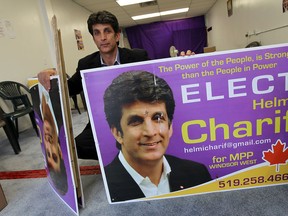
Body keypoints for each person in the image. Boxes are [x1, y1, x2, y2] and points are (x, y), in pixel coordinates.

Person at [38, 10, 150, 160]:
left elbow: (160, 78)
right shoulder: (86, 64)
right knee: (75, 147)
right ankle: (115, 160)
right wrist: (51, 76)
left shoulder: (138, 57)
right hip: (100, 121)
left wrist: (185, 61)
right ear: (93, 38)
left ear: (117, 35)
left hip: (136, 117)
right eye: (97, 33)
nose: (103, 38)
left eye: (107, 31)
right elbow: (70, 88)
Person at [103, 71, 212, 202]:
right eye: (136, 121)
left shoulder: (197, 174)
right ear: (117, 133)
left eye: (158, 118)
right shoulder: (103, 190)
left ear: (170, 127)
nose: (150, 132)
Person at [41, 93, 68, 195]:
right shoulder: (61, 113)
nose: (49, 145)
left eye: (48, 153)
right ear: (60, 151)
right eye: (55, 156)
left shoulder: (39, 112)